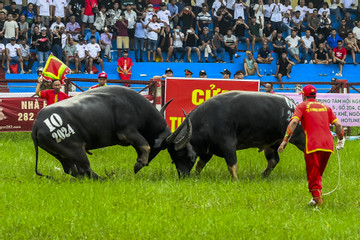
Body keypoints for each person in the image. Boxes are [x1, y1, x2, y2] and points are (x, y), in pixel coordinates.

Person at [278, 85, 345, 207]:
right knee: (318, 173)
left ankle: (318, 203)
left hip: (313, 144)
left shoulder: (302, 106)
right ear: (315, 96)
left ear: (303, 96)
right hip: (328, 144)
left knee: (312, 173)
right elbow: (339, 126)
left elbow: (293, 122)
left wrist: (284, 141)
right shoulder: (326, 107)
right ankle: (316, 198)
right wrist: (341, 139)